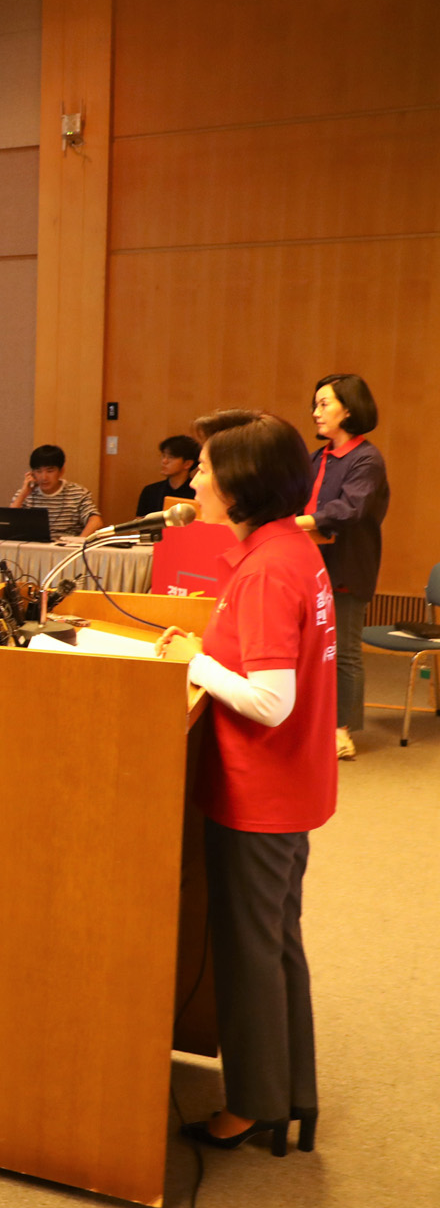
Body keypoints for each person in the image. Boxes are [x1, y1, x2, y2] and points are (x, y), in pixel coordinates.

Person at [156, 410, 333, 1159]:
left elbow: (272, 698)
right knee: (276, 943)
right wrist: (206, 648)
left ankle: (255, 1103)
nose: (194, 479)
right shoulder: (289, 548)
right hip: (288, 787)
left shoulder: (266, 569)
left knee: (250, 952)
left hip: (260, 794)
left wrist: (194, 663)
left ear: (239, 485)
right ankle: (292, 1092)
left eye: (204, 469)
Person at [293, 374, 388, 761]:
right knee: (309, 649)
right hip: (308, 564)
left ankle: (341, 731)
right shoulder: (319, 457)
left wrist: (297, 524)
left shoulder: (367, 458)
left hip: (346, 566)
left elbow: (349, 509)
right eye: (315, 404)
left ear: (349, 409)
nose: (316, 412)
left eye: (324, 404)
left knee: (343, 651)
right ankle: (312, 723)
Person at [9, 444, 103, 538]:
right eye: (38, 471)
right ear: (32, 473)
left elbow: (96, 521)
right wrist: (23, 495)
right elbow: (9, 523)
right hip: (33, 547)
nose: (44, 477)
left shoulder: (78, 493)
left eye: (50, 471)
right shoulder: (25, 493)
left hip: (65, 548)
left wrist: (79, 542)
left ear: (61, 471)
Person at [135, 435, 201, 517]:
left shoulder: (198, 493)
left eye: (171, 457)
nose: (164, 461)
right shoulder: (150, 491)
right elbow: (140, 524)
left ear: (187, 464)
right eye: (163, 456)